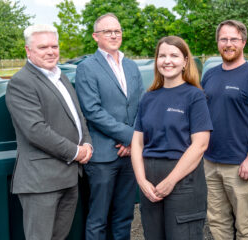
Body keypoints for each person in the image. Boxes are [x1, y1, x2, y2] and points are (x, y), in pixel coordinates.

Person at [5, 24, 93, 240]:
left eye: (54, 46)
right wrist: (76, 152)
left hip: (69, 177)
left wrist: (87, 143)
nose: (51, 51)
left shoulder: (60, 76)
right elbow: (35, 130)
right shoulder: (21, 82)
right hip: (41, 182)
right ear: (28, 50)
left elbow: (78, 117)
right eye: (43, 47)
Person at [131, 36, 213, 239]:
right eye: (162, 56)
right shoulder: (148, 98)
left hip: (183, 180)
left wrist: (171, 181)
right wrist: (141, 180)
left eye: (174, 55)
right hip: (150, 181)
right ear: (156, 61)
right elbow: (137, 143)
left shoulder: (194, 96)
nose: (167, 61)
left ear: (185, 61)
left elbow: (200, 145)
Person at [75, 13, 144, 240]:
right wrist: (131, 137)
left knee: (124, 217)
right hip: (104, 156)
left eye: (117, 31)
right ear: (96, 36)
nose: (114, 35)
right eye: (108, 31)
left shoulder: (132, 66)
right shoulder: (87, 67)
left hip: (129, 156)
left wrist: (131, 141)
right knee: (98, 220)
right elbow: (93, 111)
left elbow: (140, 106)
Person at [202, 20, 248, 239]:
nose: (228, 44)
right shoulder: (209, 75)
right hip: (210, 162)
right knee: (217, 222)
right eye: (224, 39)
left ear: (243, 42)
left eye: (234, 39)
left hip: (239, 164)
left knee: (245, 226)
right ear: (217, 42)